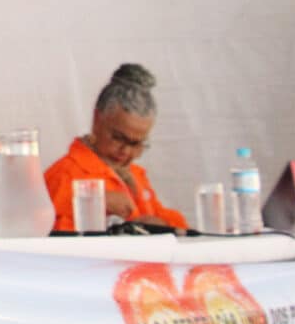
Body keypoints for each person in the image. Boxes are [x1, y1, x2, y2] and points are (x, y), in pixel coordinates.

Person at [44, 63, 188, 231]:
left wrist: (161, 226)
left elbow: (180, 228)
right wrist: (95, 205)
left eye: (136, 144)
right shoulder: (64, 175)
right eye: (118, 138)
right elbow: (47, 236)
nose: (126, 151)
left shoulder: (134, 175)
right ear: (97, 119)